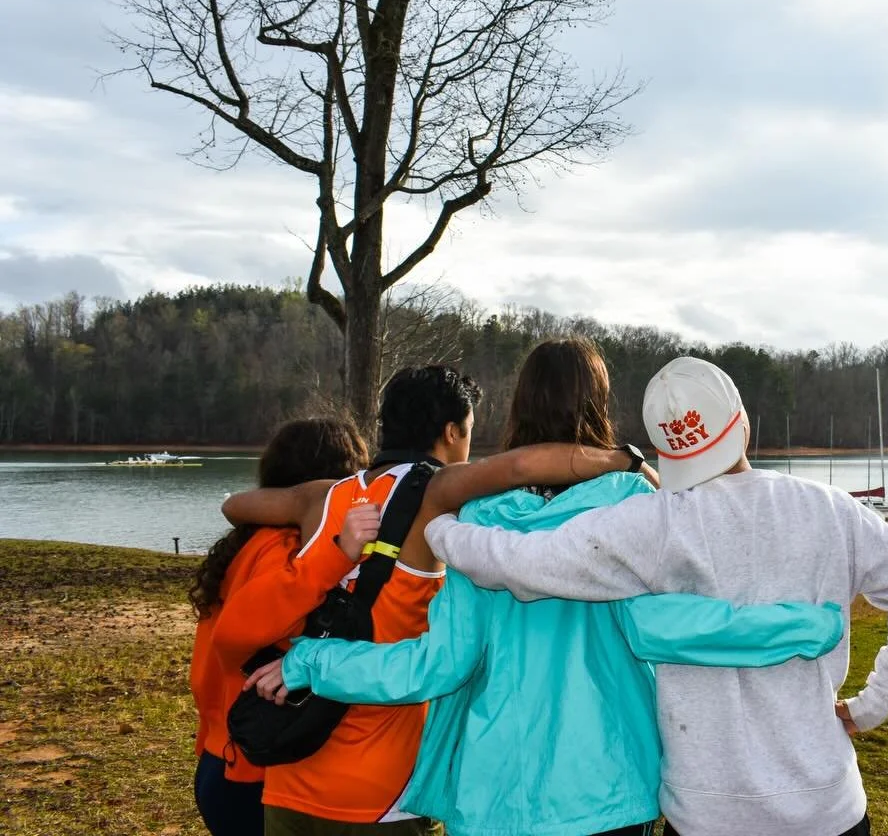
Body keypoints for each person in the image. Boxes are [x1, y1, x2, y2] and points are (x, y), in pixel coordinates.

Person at [248, 338, 844, 836]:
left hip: (494, 791)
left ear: (517, 407)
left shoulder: (476, 518)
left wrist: (312, 661)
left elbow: (436, 668)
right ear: (599, 405)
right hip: (609, 785)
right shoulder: (635, 502)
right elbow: (668, 627)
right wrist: (810, 625)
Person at [424, 356, 888, 836]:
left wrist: (443, 530)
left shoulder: (654, 522)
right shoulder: (829, 510)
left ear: (666, 447)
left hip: (704, 813)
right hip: (826, 805)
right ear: (744, 426)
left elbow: (523, 565)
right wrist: (874, 704)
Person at [217, 364, 647, 834]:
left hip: (291, 768)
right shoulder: (437, 493)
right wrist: (624, 462)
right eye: (468, 432)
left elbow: (234, 505)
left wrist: (329, 552)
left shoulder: (324, 495)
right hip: (380, 790)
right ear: (451, 431)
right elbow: (522, 466)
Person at [188, 416, 369, 836]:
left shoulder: (247, 543)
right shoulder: (284, 552)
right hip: (249, 768)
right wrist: (336, 556)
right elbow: (241, 633)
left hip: (224, 758)